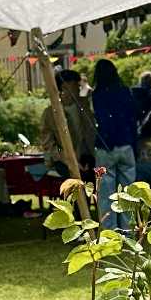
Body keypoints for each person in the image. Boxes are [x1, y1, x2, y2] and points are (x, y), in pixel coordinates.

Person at [89, 58, 139, 228]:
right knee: (127, 192)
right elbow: (133, 120)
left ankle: (110, 231)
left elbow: (101, 119)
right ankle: (128, 230)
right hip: (125, 143)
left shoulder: (97, 94)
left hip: (105, 145)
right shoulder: (125, 91)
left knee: (105, 193)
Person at [40, 69, 97, 174]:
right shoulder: (50, 113)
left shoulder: (85, 105)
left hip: (87, 158)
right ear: (64, 88)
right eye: (74, 86)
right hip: (64, 162)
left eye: (78, 86)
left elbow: (91, 131)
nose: (78, 89)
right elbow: (48, 144)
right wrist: (67, 159)